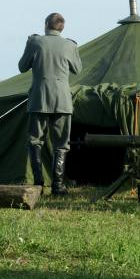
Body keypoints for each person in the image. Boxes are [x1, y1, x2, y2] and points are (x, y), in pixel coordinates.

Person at [18, 12, 82, 195]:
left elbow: (22, 67)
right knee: (61, 144)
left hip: (39, 99)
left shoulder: (35, 42)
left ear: (46, 24)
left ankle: (38, 183)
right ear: (62, 27)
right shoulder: (70, 45)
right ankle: (58, 185)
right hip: (62, 100)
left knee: (34, 141)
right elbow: (77, 69)